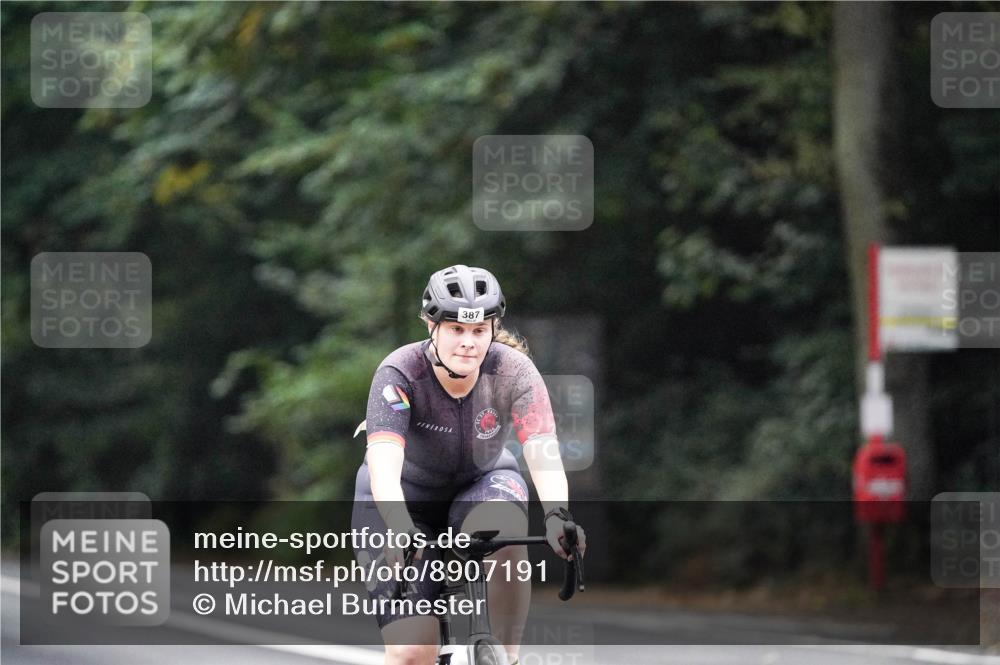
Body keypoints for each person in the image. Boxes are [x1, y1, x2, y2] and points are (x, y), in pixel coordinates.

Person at [352, 264, 586, 665]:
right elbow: (384, 463)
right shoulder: (401, 371)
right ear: (432, 325)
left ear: (493, 329)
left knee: (505, 530)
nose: (468, 343)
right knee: (411, 654)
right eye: (456, 329)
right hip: (402, 499)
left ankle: (506, 657)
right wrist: (399, 525)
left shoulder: (512, 370)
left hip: (483, 483)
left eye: (479, 331)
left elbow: (542, 447)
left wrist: (556, 515)